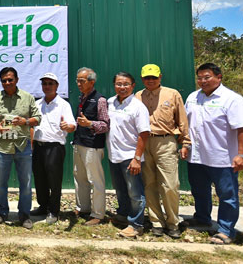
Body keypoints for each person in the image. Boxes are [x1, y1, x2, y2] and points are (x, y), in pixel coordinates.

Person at [184, 63, 243, 245]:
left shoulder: (231, 99)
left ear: (219, 77)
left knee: (227, 195)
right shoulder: (193, 97)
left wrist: (242, 155)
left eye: (207, 77)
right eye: (199, 77)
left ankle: (225, 230)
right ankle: (202, 218)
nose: (202, 81)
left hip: (222, 158)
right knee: (199, 191)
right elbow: (187, 124)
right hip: (197, 156)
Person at [135, 64, 190, 238]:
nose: (150, 81)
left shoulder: (172, 94)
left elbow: (182, 120)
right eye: (146, 78)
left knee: (170, 185)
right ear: (142, 79)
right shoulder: (138, 96)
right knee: (149, 183)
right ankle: (156, 221)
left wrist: (185, 143)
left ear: (160, 77)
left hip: (165, 142)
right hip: (144, 142)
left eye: (153, 77)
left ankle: (173, 222)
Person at [0, 67, 41, 229]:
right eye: (4, 80)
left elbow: (38, 118)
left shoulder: (27, 98)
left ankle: (24, 215)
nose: (7, 83)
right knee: (1, 182)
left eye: (10, 79)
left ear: (17, 80)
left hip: (23, 146)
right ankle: (1, 212)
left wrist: (25, 121)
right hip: (2, 146)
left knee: (26, 183)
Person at [107, 72, 150, 238]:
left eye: (126, 84)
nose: (122, 87)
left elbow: (144, 134)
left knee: (135, 193)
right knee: (120, 189)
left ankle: (136, 224)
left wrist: (137, 158)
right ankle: (123, 216)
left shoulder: (138, 107)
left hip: (130, 157)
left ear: (133, 86)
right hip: (114, 155)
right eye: (118, 84)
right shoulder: (111, 102)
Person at [31, 73, 76, 225]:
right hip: (38, 146)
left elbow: (72, 125)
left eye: (50, 83)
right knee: (39, 178)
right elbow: (32, 125)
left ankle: (53, 210)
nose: (47, 86)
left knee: (54, 180)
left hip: (54, 147)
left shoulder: (64, 105)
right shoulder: (37, 104)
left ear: (57, 86)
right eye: (44, 84)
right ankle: (43, 206)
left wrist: (67, 126)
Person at [71, 67, 110, 226]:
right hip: (79, 142)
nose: (78, 83)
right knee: (79, 178)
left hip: (92, 145)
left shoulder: (100, 100)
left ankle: (98, 214)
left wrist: (90, 124)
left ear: (92, 82)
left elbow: (106, 124)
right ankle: (83, 208)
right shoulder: (82, 97)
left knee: (96, 180)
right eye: (77, 80)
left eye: (82, 80)